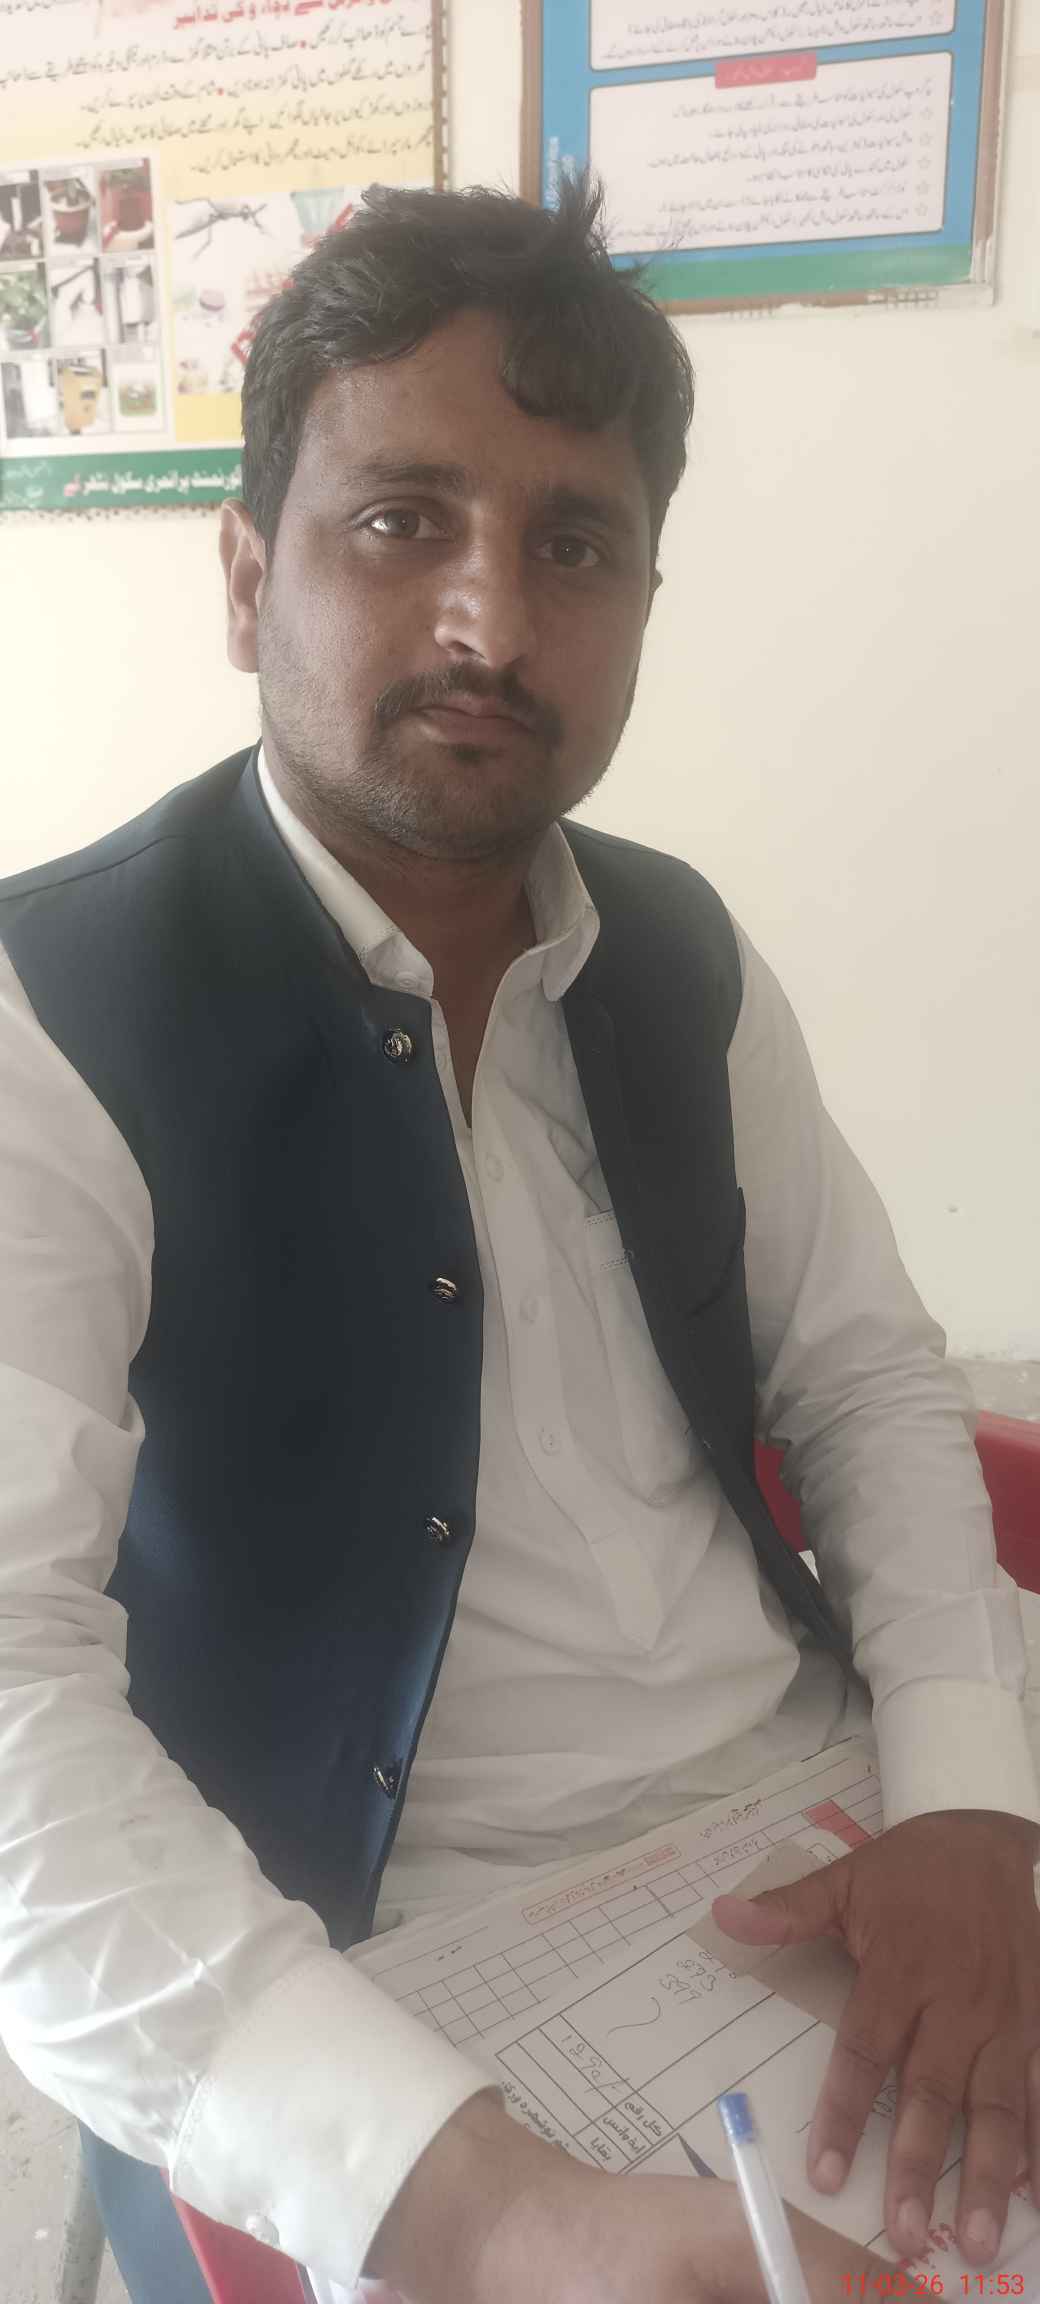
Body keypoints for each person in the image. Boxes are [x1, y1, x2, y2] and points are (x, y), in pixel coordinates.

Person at [0, 176, 1037, 2304]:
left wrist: (960, 1796)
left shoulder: (677, 952)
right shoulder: (53, 1018)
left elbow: (861, 1375)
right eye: (401, 522)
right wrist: (488, 2212)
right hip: (381, 1961)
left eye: (573, 545)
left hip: (819, 1827)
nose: (490, 620)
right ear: (246, 578)